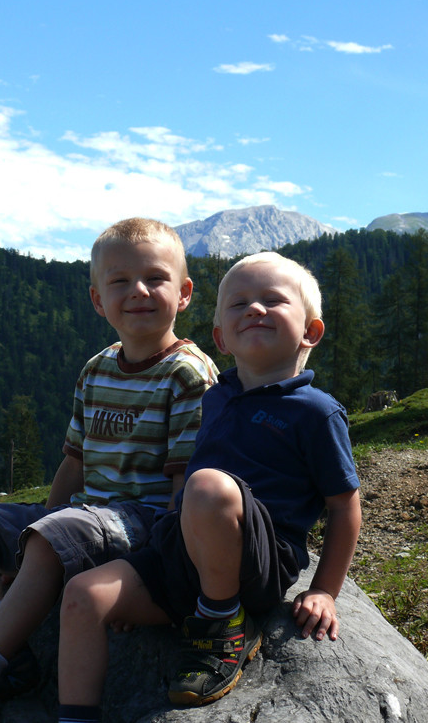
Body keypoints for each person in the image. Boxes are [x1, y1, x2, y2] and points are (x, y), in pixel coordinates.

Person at [0, 218, 218, 722]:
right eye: (119, 281)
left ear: (184, 293)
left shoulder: (187, 374)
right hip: (83, 516)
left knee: (55, 530)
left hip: (144, 524)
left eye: (155, 278)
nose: (138, 291)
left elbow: (183, 490)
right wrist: (38, 533)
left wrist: (143, 577)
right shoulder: (97, 369)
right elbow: (74, 462)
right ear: (98, 300)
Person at [54, 251, 362, 722]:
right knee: (82, 595)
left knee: (207, 487)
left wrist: (324, 591)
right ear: (220, 337)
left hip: (255, 565)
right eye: (238, 304)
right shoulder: (217, 395)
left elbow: (344, 508)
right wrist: (144, 572)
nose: (254, 309)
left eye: (272, 301)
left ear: (310, 332)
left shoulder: (316, 412)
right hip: (181, 556)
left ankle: (223, 623)